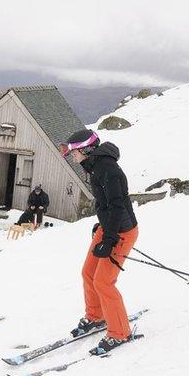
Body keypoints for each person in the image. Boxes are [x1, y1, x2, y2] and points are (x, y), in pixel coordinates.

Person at [60, 129, 140, 355]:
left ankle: (120, 332)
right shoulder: (95, 167)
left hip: (122, 232)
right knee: (88, 273)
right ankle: (96, 317)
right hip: (109, 227)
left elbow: (117, 206)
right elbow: (104, 204)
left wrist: (111, 238)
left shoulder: (109, 171)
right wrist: (102, 225)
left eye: (75, 152)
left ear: (86, 150)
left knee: (104, 282)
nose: (73, 157)